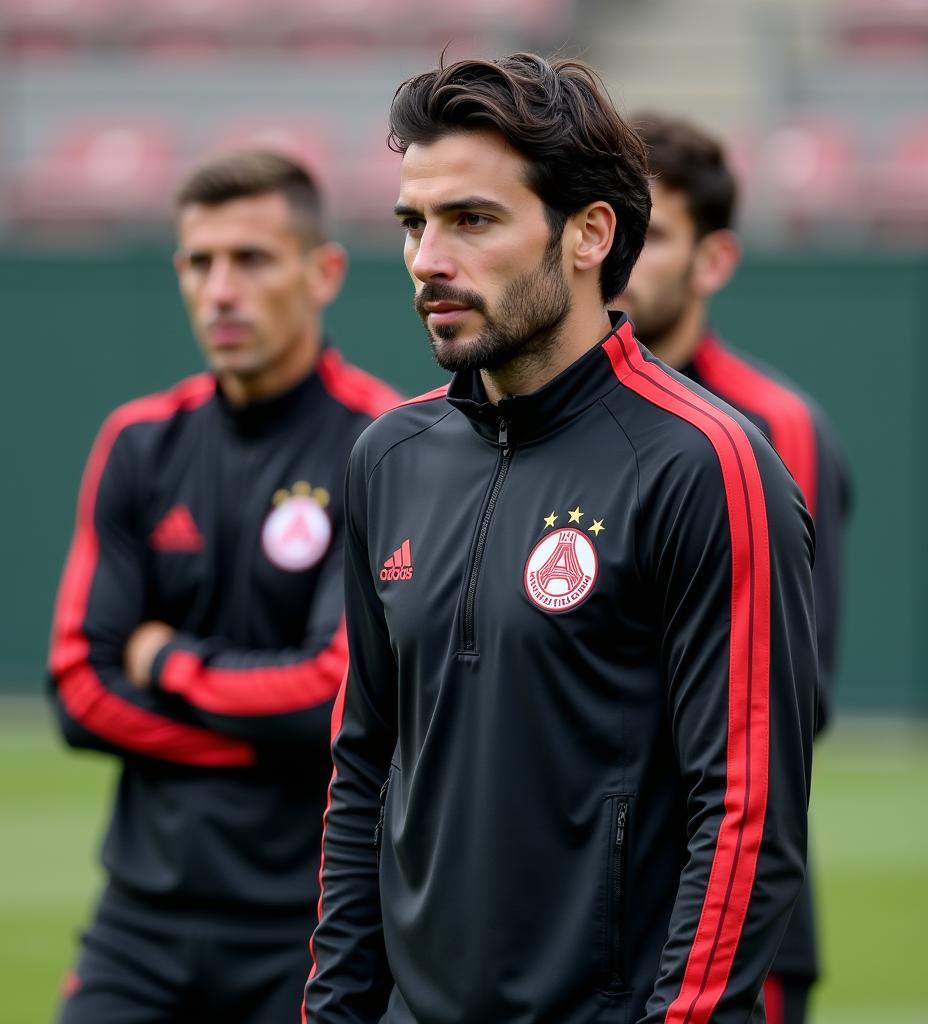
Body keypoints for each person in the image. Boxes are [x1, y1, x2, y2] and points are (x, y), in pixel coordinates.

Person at [303, 53, 818, 1024]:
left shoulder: (705, 464)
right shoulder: (389, 457)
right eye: (414, 223)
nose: (427, 259)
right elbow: (364, 769)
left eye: (472, 219)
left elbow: (744, 813)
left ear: (588, 234)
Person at [46, 148, 399, 1023]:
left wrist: (168, 664)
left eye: (251, 259)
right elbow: (79, 690)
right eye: (199, 263)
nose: (220, 290)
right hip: (139, 922)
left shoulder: (388, 449)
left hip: (313, 926)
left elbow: (331, 697)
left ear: (323, 273)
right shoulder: (138, 443)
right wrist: (255, 739)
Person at [617, 112, 852, 1024]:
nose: (622, 253)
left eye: (655, 234)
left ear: (712, 261)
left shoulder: (771, 428)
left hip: (731, 904)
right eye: (612, 221)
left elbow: (793, 696)